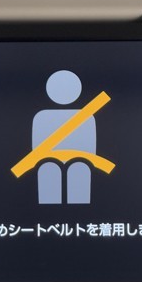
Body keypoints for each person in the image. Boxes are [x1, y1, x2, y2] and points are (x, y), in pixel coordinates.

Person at [32, 70, 96, 204]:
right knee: (48, 169)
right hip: (47, 160)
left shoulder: (87, 118)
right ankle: (49, 206)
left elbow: (90, 147)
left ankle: (79, 206)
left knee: (80, 169)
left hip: (80, 160)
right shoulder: (41, 116)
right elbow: (36, 148)